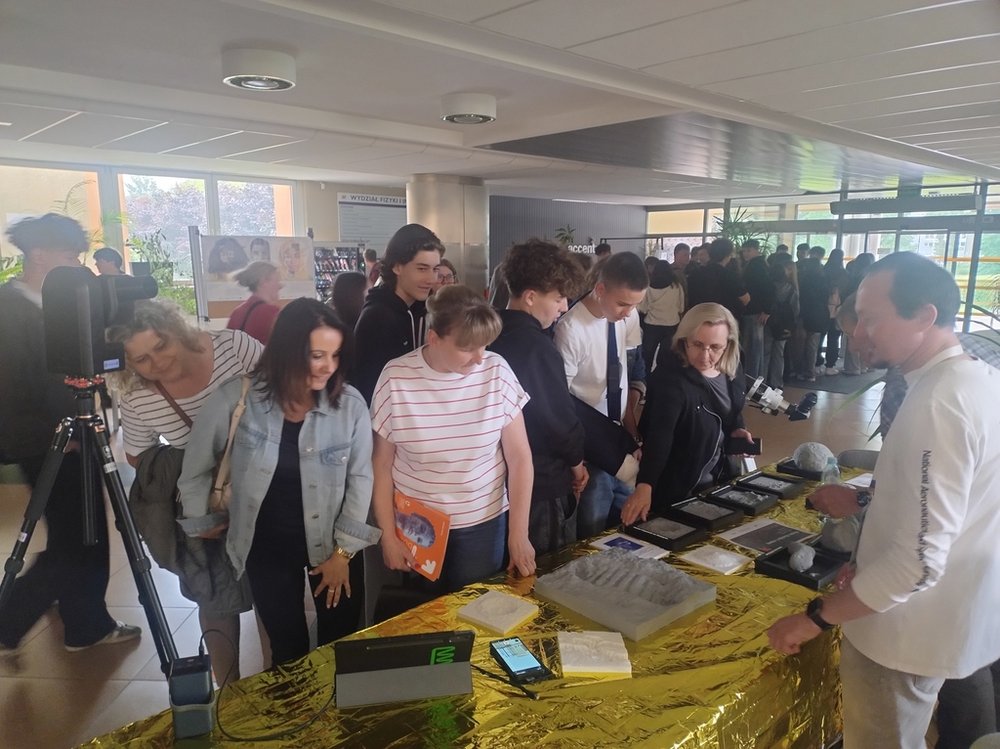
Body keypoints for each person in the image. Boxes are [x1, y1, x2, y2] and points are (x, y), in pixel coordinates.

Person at [767, 253, 1000, 749]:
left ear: (925, 315)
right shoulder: (973, 378)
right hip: (936, 615)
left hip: (903, 635)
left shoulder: (939, 402)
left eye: (872, 318)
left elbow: (917, 563)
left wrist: (814, 618)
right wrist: (868, 543)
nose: (856, 333)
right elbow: (950, 504)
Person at [177, 299, 380, 666]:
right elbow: (194, 470)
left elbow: (361, 479)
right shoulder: (236, 399)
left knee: (340, 641)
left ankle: (334, 717)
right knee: (287, 647)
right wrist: (201, 522)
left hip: (333, 546)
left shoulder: (349, 404)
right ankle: (297, 713)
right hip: (266, 546)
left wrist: (343, 553)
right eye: (318, 355)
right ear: (287, 351)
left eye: (335, 356)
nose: (328, 367)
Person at [0, 214, 141, 655]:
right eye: (68, 256)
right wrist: (55, 433)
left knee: (85, 531)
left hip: (72, 430)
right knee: (76, 536)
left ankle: (84, 620)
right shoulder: (10, 310)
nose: (75, 264)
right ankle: (14, 619)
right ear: (39, 255)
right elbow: (11, 389)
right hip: (47, 441)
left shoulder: (54, 304)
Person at [106, 300, 263, 683]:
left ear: (176, 330)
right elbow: (138, 455)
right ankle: (229, 693)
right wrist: (195, 484)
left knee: (272, 592)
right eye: (141, 359)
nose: (156, 363)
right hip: (205, 507)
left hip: (267, 488)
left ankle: (279, 684)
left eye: (160, 346)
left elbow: (289, 392)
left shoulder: (233, 347)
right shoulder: (137, 394)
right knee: (213, 593)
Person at [370, 285, 535, 592]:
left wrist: (518, 533)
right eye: (467, 348)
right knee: (426, 620)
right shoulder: (396, 377)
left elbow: (520, 457)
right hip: (418, 526)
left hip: (483, 523)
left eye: (484, 346)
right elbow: (381, 465)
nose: (478, 359)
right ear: (434, 338)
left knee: (477, 613)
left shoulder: (497, 371)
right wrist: (388, 536)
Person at [489, 239, 588, 555]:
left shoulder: (488, 334)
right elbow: (557, 420)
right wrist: (577, 462)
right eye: (559, 298)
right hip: (540, 483)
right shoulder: (536, 347)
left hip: (494, 483)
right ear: (530, 297)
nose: (563, 306)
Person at [621, 303, 752, 523]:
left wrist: (737, 427)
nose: (705, 355)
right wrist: (646, 485)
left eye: (715, 347)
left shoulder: (732, 366)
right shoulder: (670, 379)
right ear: (684, 340)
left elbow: (731, 408)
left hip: (718, 480)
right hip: (678, 487)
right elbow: (660, 436)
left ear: (728, 345)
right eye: (698, 345)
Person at [554, 251, 648, 538]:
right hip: (589, 442)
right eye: (622, 303)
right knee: (592, 528)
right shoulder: (570, 328)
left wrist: (632, 427)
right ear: (600, 289)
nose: (628, 312)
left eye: (635, 304)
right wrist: (575, 460)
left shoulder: (626, 317)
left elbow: (625, 371)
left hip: (620, 434)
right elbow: (560, 402)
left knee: (628, 524)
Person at [353, 223, 444, 404]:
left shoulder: (424, 310)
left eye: (435, 269)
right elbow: (369, 391)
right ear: (397, 267)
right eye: (422, 268)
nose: (431, 279)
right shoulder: (377, 319)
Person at [687, 238, 750, 322]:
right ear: (727, 255)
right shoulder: (730, 275)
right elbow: (746, 299)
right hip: (724, 320)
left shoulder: (695, 273)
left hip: (700, 318)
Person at [638, 259, 685, 372]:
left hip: (651, 325)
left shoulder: (648, 287)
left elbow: (643, 308)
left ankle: (645, 381)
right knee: (666, 356)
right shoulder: (676, 286)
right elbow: (681, 307)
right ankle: (661, 379)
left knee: (647, 355)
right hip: (671, 324)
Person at [739, 240, 775, 381]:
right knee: (754, 348)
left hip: (754, 310)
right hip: (756, 310)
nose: (745, 253)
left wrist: (766, 310)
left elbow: (769, 289)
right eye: (744, 251)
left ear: (756, 250)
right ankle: (754, 379)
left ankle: (751, 380)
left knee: (752, 348)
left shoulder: (756, 266)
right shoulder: (759, 265)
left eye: (748, 250)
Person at [763, 256, 799, 388]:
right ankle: (777, 382)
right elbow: (796, 308)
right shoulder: (791, 288)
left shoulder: (767, 286)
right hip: (784, 323)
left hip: (768, 322)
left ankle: (762, 381)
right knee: (779, 353)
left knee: (765, 353)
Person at [227, 261, 282, 344]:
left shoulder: (237, 312)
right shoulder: (273, 313)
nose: (280, 286)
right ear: (263, 282)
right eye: (276, 281)